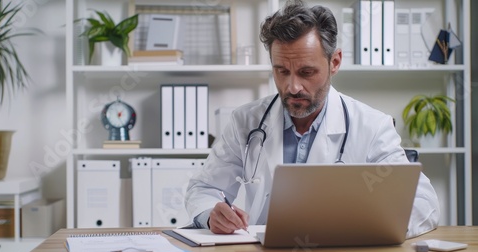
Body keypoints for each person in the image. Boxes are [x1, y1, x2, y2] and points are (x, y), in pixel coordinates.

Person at [184, 0, 440, 238]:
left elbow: (423, 202)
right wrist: (211, 214)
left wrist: (357, 229)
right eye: (282, 71)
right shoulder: (245, 122)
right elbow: (203, 188)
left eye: (306, 72)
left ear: (335, 62)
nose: (292, 86)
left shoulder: (372, 127)